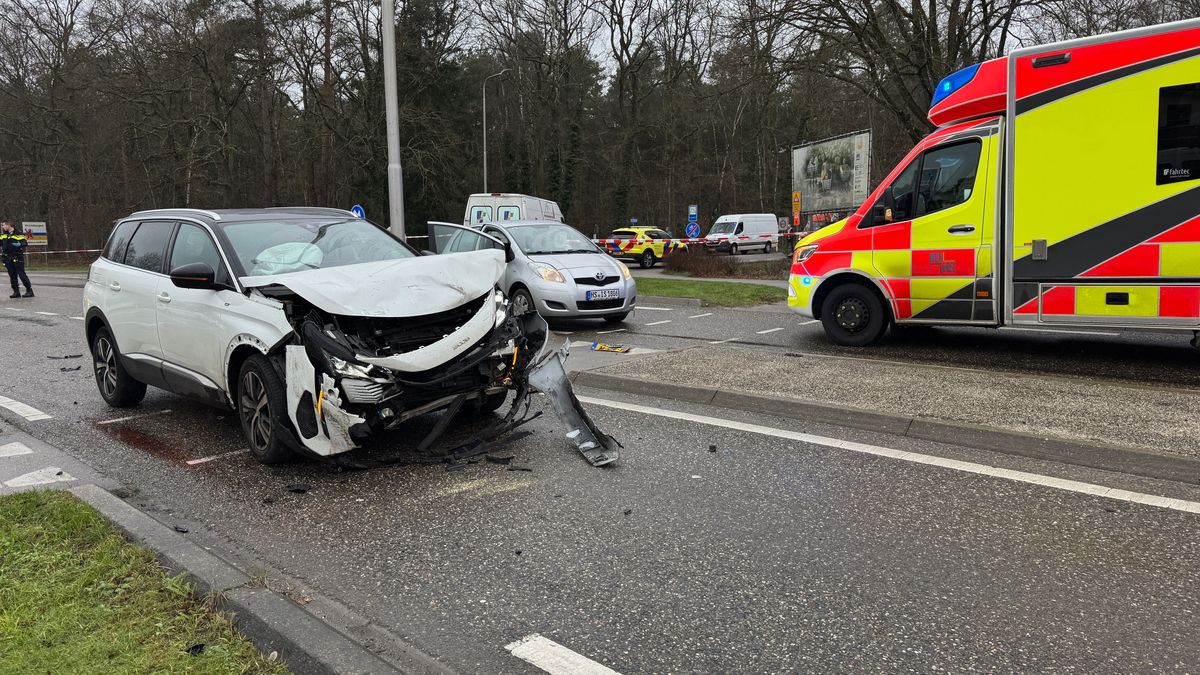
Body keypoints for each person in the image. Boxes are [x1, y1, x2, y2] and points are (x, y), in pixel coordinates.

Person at [0, 222, 34, 298]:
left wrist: (20, 244)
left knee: (21, 274)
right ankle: (16, 292)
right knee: (12, 275)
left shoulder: (18, 233)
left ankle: (29, 290)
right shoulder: (4, 235)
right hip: (7, 257)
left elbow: (24, 243)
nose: (2, 227)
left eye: (3, 225)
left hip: (17, 256)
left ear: (9, 225)